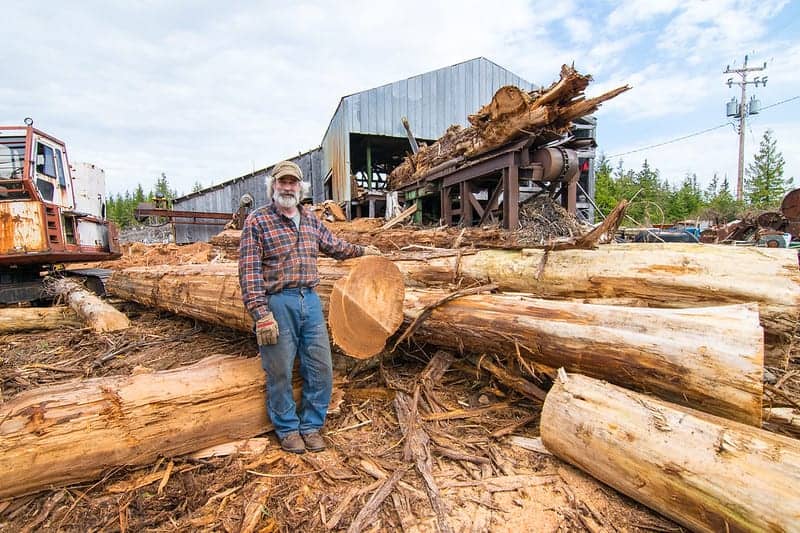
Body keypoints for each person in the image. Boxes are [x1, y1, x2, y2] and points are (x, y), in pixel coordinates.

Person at [238, 160, 380, 454]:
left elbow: (335, 245)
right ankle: (288, 429)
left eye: (292, 183)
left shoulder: (311, 219)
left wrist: (363, 251)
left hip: (310, 300)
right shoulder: (258, 221)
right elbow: (249, 271)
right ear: (273, 186)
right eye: (282, 182)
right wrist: (261, 313)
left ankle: (311, 425)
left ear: (300, 188)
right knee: (279, 371)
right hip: (279, 303)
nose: (287, 187)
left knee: (321, 368)